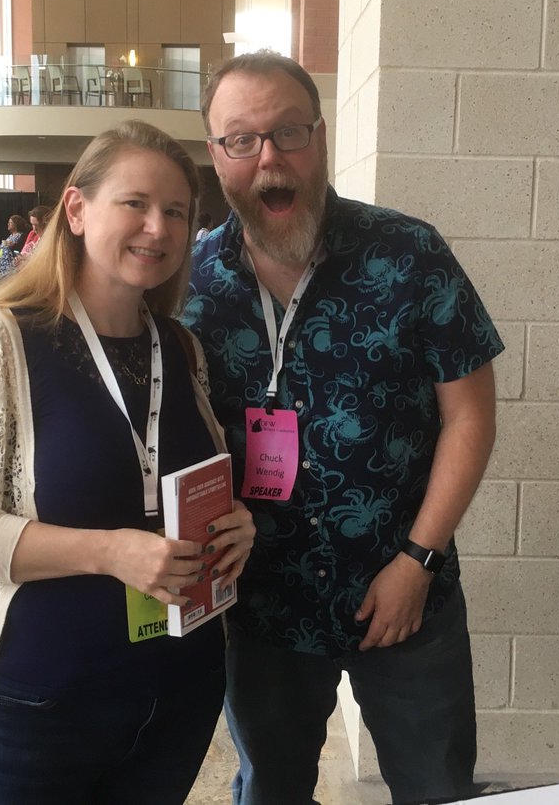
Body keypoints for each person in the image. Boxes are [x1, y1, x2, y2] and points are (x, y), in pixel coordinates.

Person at [0, 119, 255, 804]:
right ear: (77, 208)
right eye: (136, 203)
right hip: (31, 709)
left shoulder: (182, 351)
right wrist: (110, 553)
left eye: (177, 211)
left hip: (173, 703)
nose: (158, 227)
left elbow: (178, 488)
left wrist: (238, 524)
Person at [183, 51, 503, 805]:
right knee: (272, 789)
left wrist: (417, 560)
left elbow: (471, 415)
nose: (269, 160)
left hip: (405, 590)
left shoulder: (411, 255)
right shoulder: (188, 283)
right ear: (215, 154)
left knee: (436, 787)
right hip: (261, 603)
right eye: (242, 139)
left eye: (288, 132)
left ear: (321, 136)